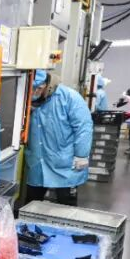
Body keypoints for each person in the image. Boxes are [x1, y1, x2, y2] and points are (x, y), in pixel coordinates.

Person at [23, 70, 94, 207]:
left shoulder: (69, 97)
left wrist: (81, 155)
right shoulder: (29, 99)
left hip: (65, 163)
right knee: (31, 204)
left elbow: (83, 127)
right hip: (38, 162)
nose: (34, 93)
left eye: (38, 89)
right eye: (32, 89)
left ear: (46, 84)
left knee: (66, 206)